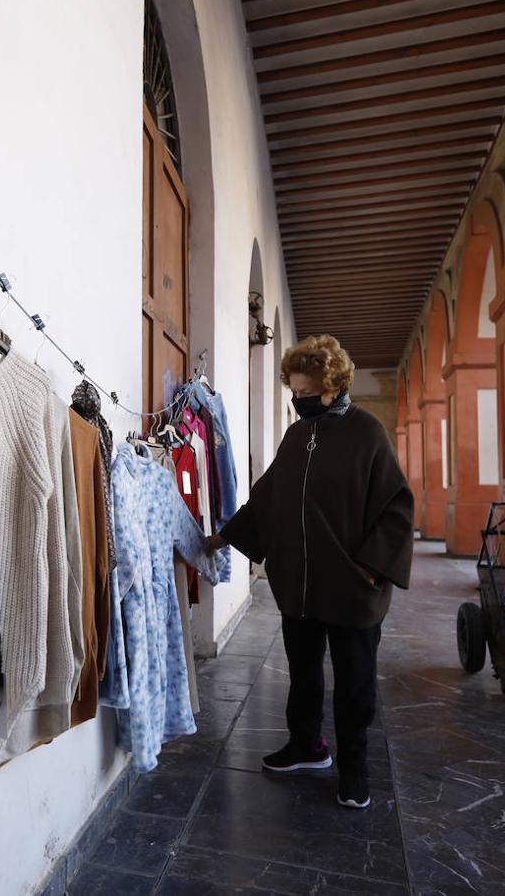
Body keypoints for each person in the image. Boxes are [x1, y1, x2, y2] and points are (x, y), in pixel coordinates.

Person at [207, 335, 414, 809]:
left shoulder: (368, 434)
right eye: (293, 393)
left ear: (334, 385)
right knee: (303, 675)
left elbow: (397, 507)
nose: (299, 401)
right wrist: (221, 536)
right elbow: (268, 496)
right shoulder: (298, 435)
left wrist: (371, 567)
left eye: (307, 393)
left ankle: (354, 768)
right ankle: (307, 746)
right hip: (300, 584)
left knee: (354, 682)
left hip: (352, 587)